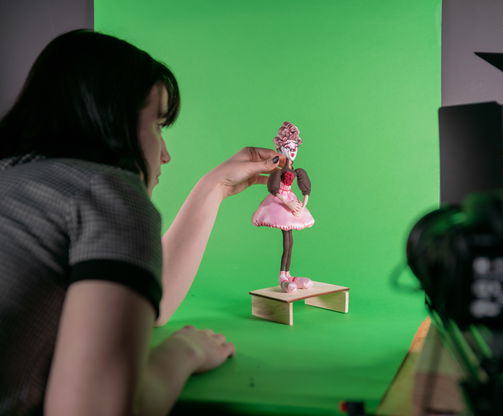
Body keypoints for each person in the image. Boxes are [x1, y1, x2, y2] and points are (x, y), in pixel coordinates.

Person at [0, 29, 284, 415]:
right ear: (107, 119)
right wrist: (182, 353)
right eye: (157, 125)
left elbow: (141, 306)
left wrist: (214, 187)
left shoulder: (17, 180)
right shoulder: (105, 190)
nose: (164, 154)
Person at [252, 121, 314, 293]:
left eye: (295, 147)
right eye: (288, 146)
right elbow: (273, 189)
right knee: (286, 243)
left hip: (292, 202)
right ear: (281, 149)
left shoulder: (298, 171)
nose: (293, 150)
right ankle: (282, 276)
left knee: (290, 242)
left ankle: (288, 274)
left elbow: (305, 190)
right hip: (281, 201)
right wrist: (287, 203)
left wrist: (302, 206)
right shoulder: (278, 172)